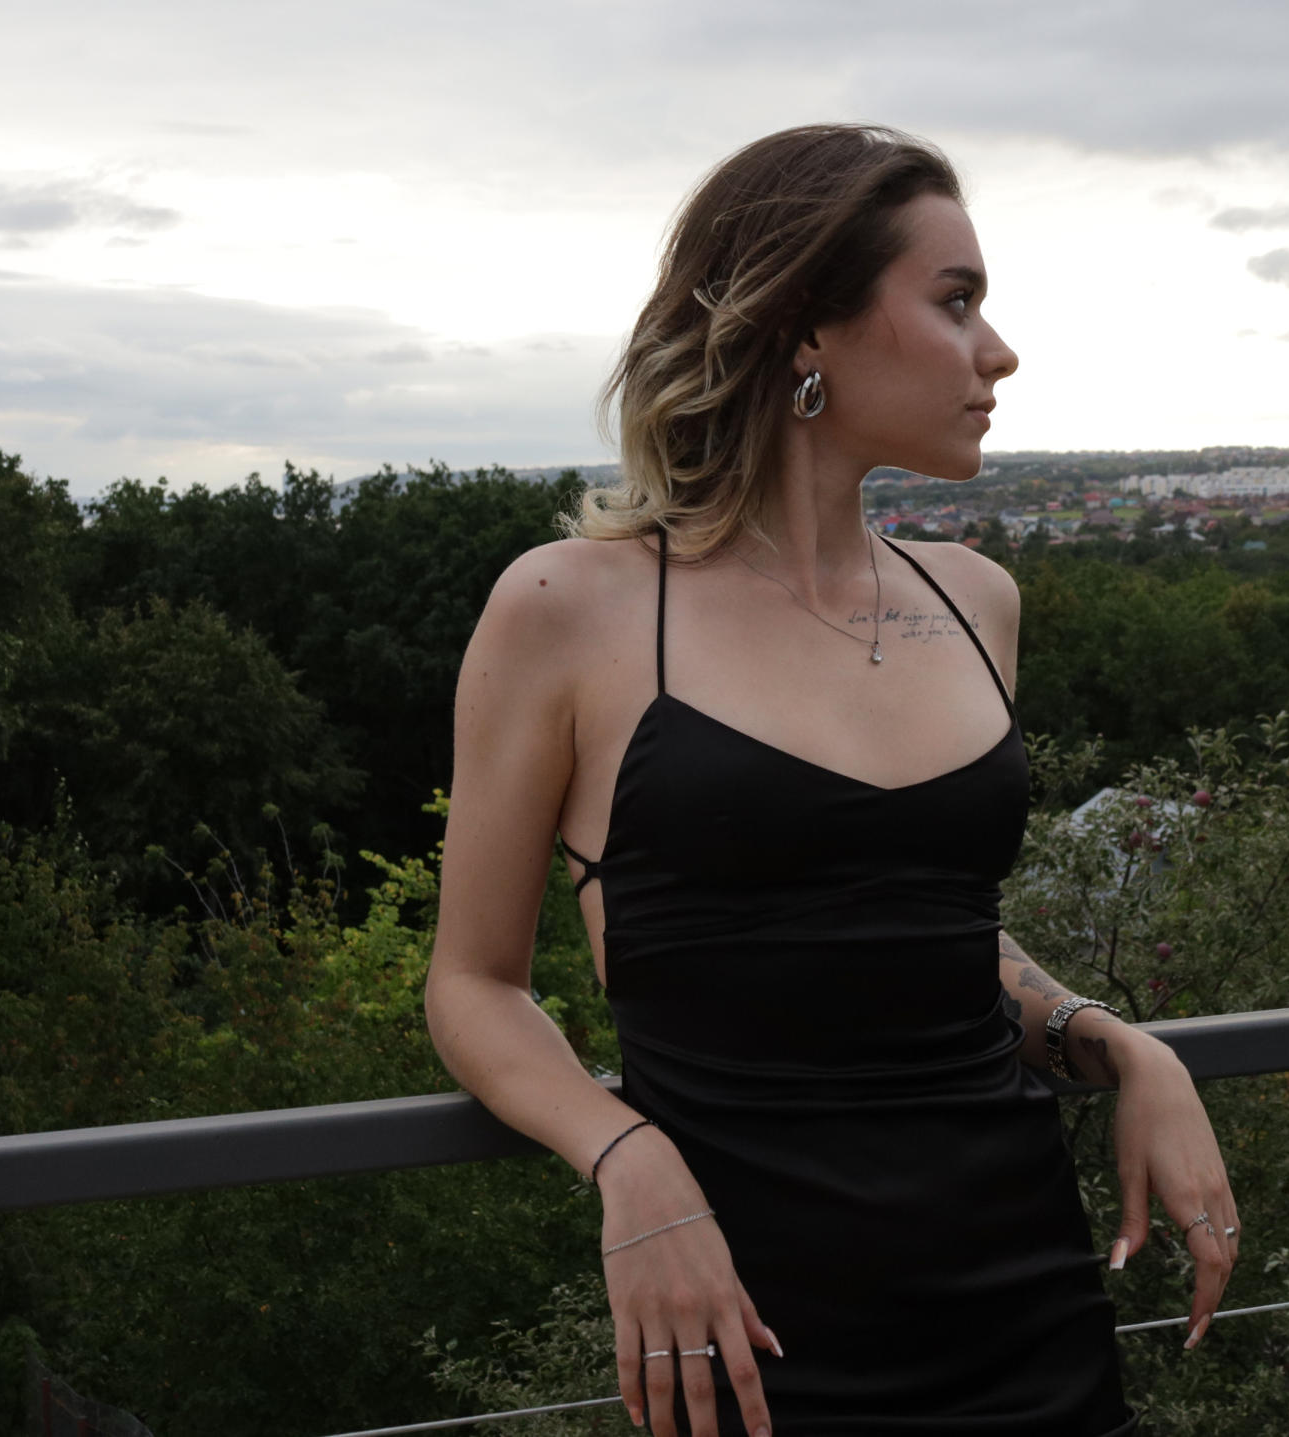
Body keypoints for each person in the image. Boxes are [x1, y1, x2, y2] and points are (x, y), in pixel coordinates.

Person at [425, 123, 1239, 1437]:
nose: (998, 352)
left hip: (1029, 1307)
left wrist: (1116, 1042)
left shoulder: (975, 600)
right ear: (805, 326)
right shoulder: (572, 609)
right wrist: (627, 1157)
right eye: (956, 302)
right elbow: (474, 983)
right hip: (750, 1335)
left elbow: (923, 927)